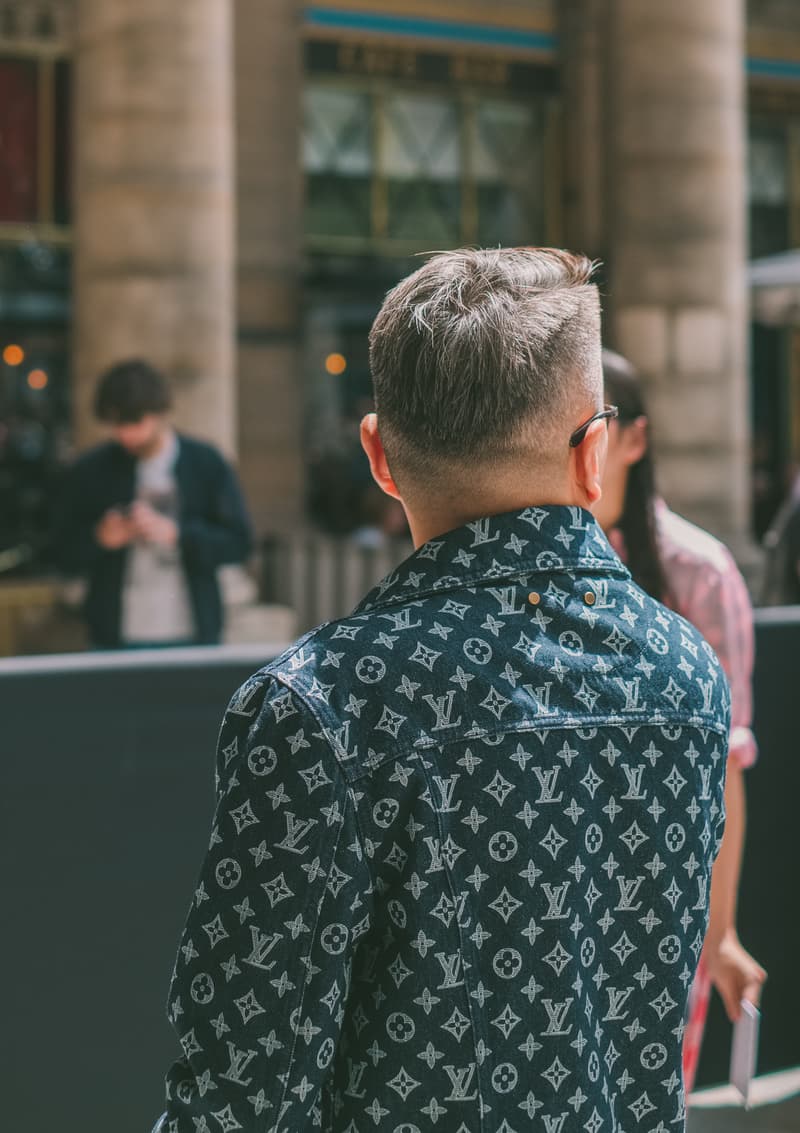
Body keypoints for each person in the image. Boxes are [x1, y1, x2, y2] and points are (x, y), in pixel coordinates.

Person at [155, 249, 729, 1132]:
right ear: (596, 452)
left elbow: (236, 1098)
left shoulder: (322, 706)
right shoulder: (687, 673)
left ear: (380, 455)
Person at [595, 349, 766, 1093]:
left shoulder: (698, 569)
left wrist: (719, 928)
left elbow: (725, 763)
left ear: (635, 438)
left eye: (591, 425)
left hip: (664, 888)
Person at [55, 359, 252, 648]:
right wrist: (100, 537)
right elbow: (61, 552)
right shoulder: (92, 469)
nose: (125, 434)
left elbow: (239, 542)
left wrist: (177, 535)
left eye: (134, 421)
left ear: (161, 412)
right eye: (116, 423)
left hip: (194, 630)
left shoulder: (205, 462)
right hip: (114, 634)